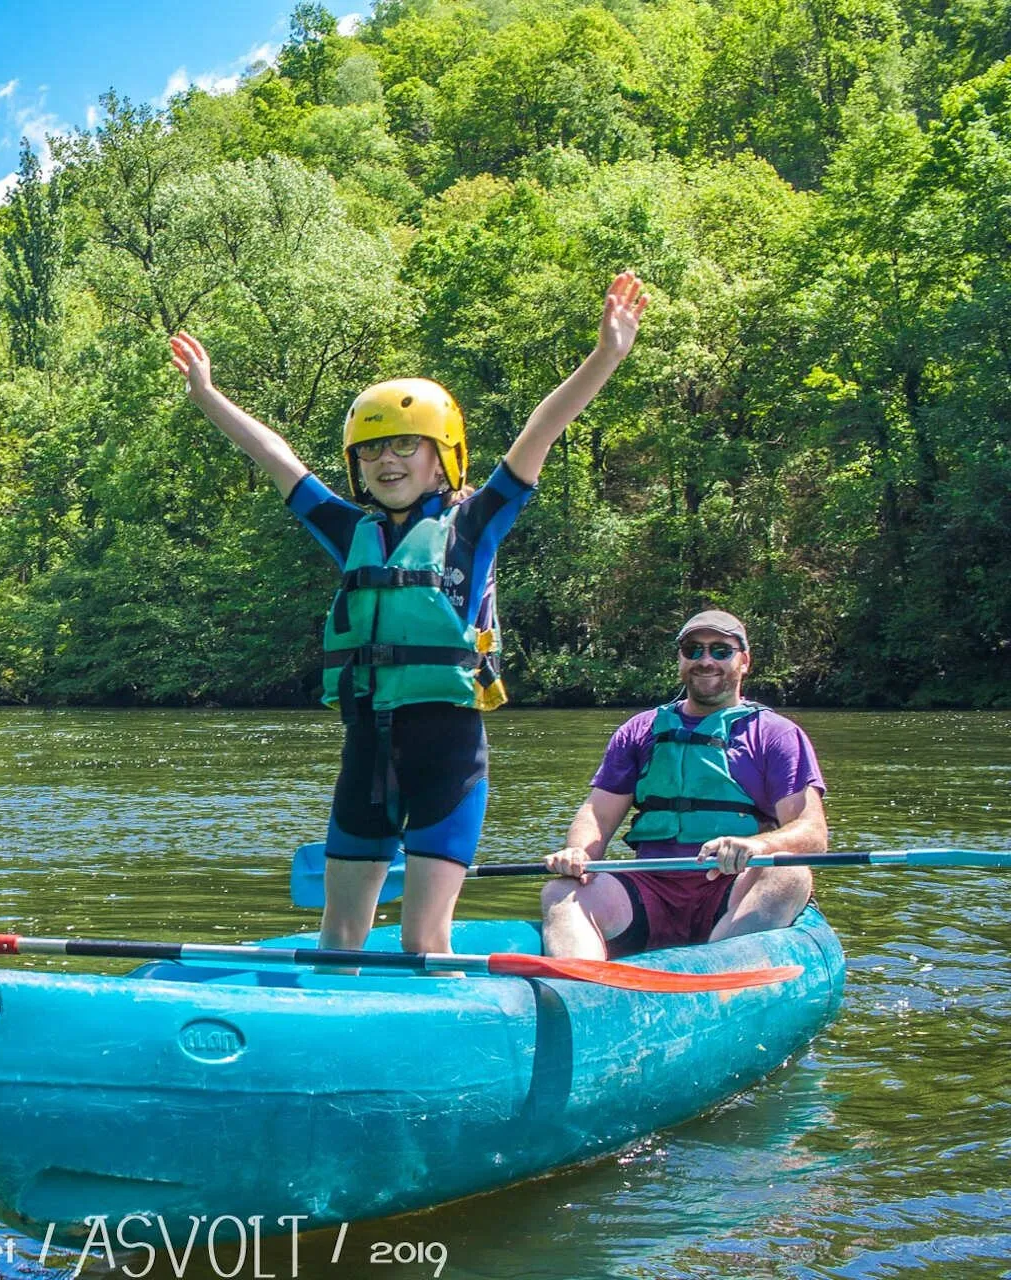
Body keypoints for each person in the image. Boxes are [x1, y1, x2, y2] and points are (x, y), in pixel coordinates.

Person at [170, 272, 649, 956]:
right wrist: (208, 396)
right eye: (371, 448)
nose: (386, 460)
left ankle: (448, 1038)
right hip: (365, 752)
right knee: (340, 935)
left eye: (404, 445)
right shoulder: (347, 530)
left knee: (424, 938)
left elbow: (544, 427)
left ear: (442, 456)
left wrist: (604, 356)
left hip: (447, 756)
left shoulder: (475, 525)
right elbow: (275, 457)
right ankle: (337, 1041)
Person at [541, 610, 827, 959]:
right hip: (650, 887)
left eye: (720, 650)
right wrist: (579, 854)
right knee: (560, 892)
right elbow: (598, 814)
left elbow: (813, 833)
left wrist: (758, 846)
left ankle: (714, 980)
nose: (705, 660)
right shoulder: (639, 731)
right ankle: (585, 995)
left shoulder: (776, 735)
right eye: (693, 649)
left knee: (790, 874)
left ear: (744, 661)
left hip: (730, 888)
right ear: (680, 659)